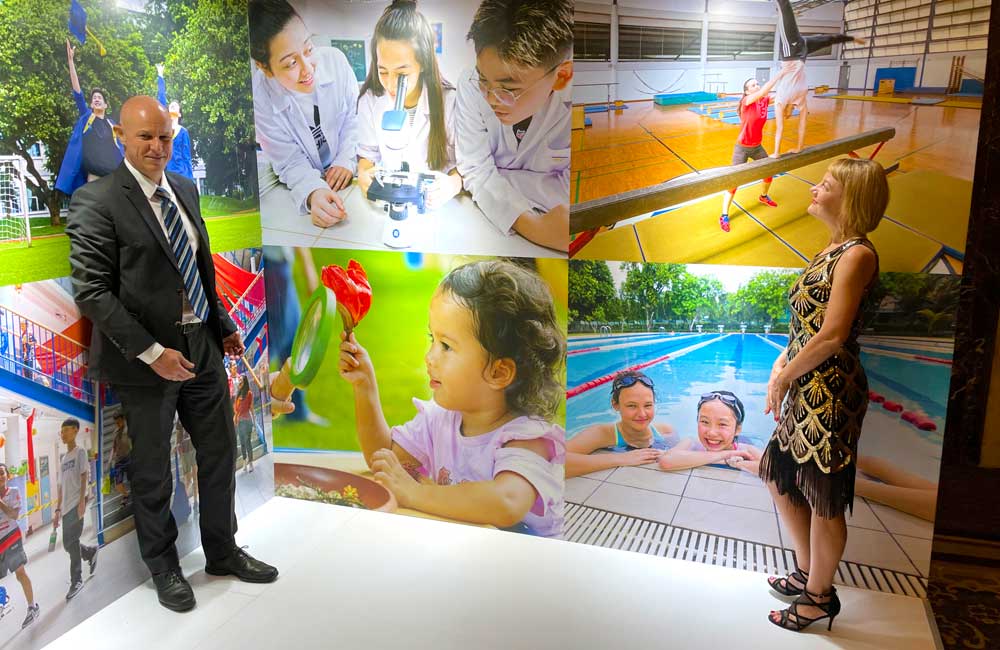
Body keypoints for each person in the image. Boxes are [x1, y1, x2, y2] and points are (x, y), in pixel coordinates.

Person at [65, 95, 277, 613]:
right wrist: (153, 352)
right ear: (121, 136)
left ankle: (223, 553)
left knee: (220, 450)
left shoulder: (183, 188)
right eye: (145, 137)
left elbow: (199, 268)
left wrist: (223, 326)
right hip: (146, 362)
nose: (157, 147)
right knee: (153, 471)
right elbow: (93, 293)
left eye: (164, 137)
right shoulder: (95, 202)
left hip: (201, 347)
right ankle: (164, 569)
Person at [338, 260, 566, 536]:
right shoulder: (440, 419)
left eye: (446, 346)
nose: (429, 357)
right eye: (431, 338)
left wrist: (416, 494)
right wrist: (365, 387)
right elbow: (386, 461)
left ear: (499, 372)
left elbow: (507, 502)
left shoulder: (526, 437)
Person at [756, 158, 887, 631]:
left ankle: (818, 597)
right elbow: (804, 326)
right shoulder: (830, 249)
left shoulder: (857, 255)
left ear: (849, 197)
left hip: (830, 391)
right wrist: (780, 369)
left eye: (825, 184)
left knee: (823, 495)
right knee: (778, 474)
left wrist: (785, 376)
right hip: (806, 380)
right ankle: (810, 572)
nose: (814, 188)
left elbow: (832, 335)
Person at [455, 0, 573, 252]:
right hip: (492, 231)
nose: (489, 98)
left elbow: (571, 185)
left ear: (561, 76)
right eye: (483, 79)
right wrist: (536, 227)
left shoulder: (575, 103)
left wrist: (493, 179)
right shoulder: (468, 83)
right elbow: (475, 169)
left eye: (509, 89)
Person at [250, 0, 359, 228]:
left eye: (309, 48)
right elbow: (289, 161)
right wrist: (313, 191)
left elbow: (353, 119)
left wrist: (345, 159)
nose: (308, 68)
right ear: (264, 66)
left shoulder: (336, 62)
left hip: (348, 174)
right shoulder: (260, 97)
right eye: (291, 63)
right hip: (304, 178)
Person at [356, 0, 462, 211]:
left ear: (422, 63)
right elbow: (367, 156)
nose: (391, 84)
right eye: (383, 71)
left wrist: (452, 185)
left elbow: (463, 167)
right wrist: (363, 174)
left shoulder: (448, 101)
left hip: (433, 208)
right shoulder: (370, 100)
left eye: (402, 73)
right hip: (388, 202)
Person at [772, 0, 865, 156]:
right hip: (797, 51)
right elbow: (793, 126)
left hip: (796, 52)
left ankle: (852, 38)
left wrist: (784, 151)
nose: (787, 114)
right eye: (788, 114)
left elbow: (790, 127)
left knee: (788, 13)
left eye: (786, 115)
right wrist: (788, 150)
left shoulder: (787, 100)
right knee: (825, 37)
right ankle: (852, 38)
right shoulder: (791, 101)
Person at [719, 67, 791, 233]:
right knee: (733, 182)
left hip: (757, 147)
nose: (757, 86)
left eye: (757, 84)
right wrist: (780, 74)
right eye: (753, 85)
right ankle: (723, 215)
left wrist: (791, 81)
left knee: (768, 173)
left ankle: (763, 197)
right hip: (742, 148)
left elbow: (781, 96)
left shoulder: (763, 100)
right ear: (746, 91)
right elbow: (763, 92)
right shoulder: (747, 101)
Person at [566, 371, 674, 477]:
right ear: (615, 405)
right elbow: (553, 461)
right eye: (632, 406)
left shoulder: (665, 431)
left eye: (648, 405)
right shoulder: (601, 433)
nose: (642, 414)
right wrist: (621, 458)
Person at [55, 39, 124, 196]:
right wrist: (71, 61)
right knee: (95, 215)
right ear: (92, 104)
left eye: (100, 97)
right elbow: (77, 92)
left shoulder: (112, 125)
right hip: (94, 178)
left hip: (114, 178)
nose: (97, 99)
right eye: (94, 98)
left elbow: (122, 148)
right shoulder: (87, 118)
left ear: (106, 105)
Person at [656, 390, 762, 471]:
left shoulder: (746, 450)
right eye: (705, 422)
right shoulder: (693, 443)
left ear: (738, 429)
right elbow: (666, 461)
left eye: (722, 424)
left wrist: (740, 464)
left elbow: (774, 470)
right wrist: (725, 456)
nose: (711, 432)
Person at [54, 418, 97, 601]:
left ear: (75, 431)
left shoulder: (80, 452)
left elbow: (84, 476)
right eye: (61, 431)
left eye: (65, 431)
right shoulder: (64, 458)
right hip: (65, 509)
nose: (62, 434)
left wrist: (82, 502)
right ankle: (89, 552)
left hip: (75, 505)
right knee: (67, 544)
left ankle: (76, 580)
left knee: (72, 542)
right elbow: (61, 486)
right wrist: (57, 510)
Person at [0, 463, 39, 628]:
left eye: (2, 473)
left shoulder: (14, 492)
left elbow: (13, 514)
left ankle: (32, 607)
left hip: (12, 537)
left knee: (20, 574)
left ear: (7, 476)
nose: (0, 476)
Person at [155, 64, 195, 180]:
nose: (172, 106)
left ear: (180, 113)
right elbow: (161, 98)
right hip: (166, 173)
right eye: (171, 105)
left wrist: (190, 181)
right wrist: (160, 75)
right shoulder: (164, 128)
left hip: (181, 174)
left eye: (175, 106)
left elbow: (187, 157)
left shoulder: (183, 132)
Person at [108, 412, 132, 506]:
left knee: (133, 478)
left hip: (129, 458)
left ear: (123, 419)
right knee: (118, 485)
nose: (117, 424)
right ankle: (126, 495)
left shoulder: (129, 429)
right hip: (119, 461)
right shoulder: (115, 432)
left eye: (119, 421)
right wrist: (110, 460)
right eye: (116, 422)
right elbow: (113, 447)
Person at [233, 376, 255, 473]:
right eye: (239, 380)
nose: (239, 382)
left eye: (241, 380)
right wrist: (235, 417)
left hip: (247, 421)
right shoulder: (238, 395)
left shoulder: (249, 393)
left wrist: (254, 420)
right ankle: (244, 462)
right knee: (242, 443)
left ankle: (250, 463)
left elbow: (251, 407)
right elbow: (236, 409)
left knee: (247, 442)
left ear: (245, 382)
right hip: (239, 421)